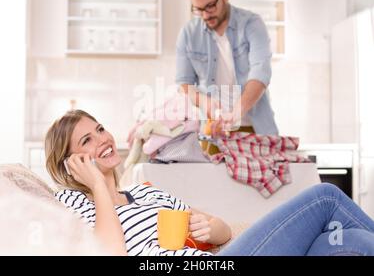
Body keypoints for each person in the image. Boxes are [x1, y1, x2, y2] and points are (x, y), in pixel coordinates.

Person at [45, 110, 374, 256]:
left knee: (351, 241)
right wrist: (99, 187)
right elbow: (111, 254)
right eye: (85, 141)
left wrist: (210, 228)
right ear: (71, 163)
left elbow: (222, 232)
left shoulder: (146, 192)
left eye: (100, 129)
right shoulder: (73, 202)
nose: (101, 139)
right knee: (325, 197)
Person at [176, 0, 278, 146]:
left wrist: (234, 114)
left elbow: (260, 73)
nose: (206, 15)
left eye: (210, 6)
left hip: (254, 128)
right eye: (199, 10)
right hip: (212, 131)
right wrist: (205, 102)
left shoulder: (252, 24)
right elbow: (185, 85)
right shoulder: (188, 34)